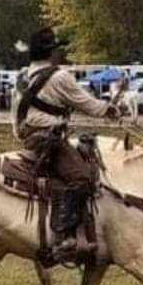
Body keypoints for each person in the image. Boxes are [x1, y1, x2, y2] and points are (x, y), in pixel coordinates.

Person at [14, 27, 121, 266]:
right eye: (56, 51)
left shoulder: (23, 78)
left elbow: (16, 117)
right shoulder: (59, 77)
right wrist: (109, 109)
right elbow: (88, 104)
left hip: (30, 138)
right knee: (82, 178)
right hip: (49, 140)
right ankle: (62, 238)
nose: (59, 55)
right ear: (51, 54)